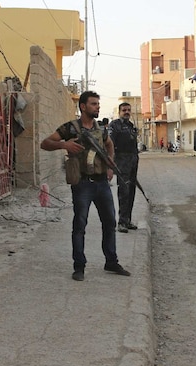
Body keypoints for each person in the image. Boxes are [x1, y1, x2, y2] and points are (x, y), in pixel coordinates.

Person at [40, 91, 131, 281]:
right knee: (80, 225)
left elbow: (109, 146)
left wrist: (109, 166)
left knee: (110, 222)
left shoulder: (101, 129)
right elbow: (45, 143)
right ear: (83, 106)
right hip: (82, 184)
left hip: (101, 183)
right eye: (93, 104)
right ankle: (79, 266)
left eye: (98, 104)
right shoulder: (71, 128)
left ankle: (111, 261)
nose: (97, 106)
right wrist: (64, 145)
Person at [108, 102, 140, 233]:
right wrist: (111, 164)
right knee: (124, 192)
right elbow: (109, 144)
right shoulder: (115, 125)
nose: (126, 112)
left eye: (128, 110)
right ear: (119, 112)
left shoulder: (131, 126)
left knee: (131, 191)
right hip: (121, 161)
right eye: (124, 110)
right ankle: (121, 222)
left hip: (133, 161)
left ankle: (127, 220)